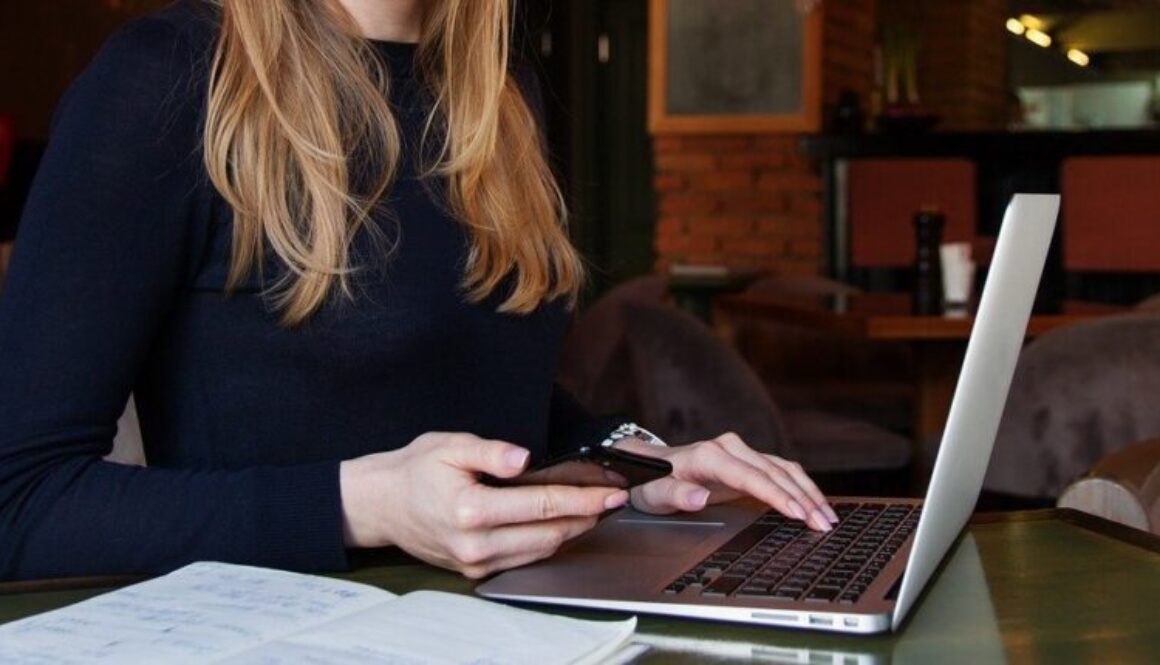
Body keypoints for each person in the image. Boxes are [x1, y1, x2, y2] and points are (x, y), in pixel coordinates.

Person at [0, 0, 836, 582]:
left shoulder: (500, 95)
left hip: (522, 628)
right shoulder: (164, 81)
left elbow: (481, 394)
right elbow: (21, 501)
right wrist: (360, 506)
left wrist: (632, 459)